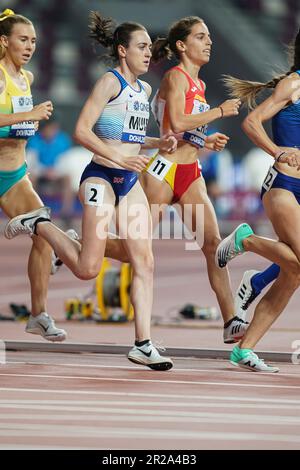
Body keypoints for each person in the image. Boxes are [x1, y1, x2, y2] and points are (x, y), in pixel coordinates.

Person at [5, 11, 176, 370]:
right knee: (86, 269)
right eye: (142, 47)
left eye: (149, 48)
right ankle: (41, 224)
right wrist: (118, 158)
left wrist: (157, 141)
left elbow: (128, 137)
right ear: (122, 51)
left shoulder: (144, 90)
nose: (148, 53)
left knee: (144, 260)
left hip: (129, 183)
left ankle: (142, 344)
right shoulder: (108, 83)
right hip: (100, 178)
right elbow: (82, 131)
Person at [105, 16, 247, 344]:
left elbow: (184, 128)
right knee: (133, 250)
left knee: (213, 245)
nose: (209, 42)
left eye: (209, 36)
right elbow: (178, 121)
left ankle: (230, 320)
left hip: (190, 172)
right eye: (201, 37)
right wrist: (220, 113)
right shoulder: (175, 77)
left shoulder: (201, 85)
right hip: (164, 172)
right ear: (182, 45)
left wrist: (207, 140)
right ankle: (79, 247)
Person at [215, 27, 300, 372]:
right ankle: (246, 239)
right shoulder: (293, 84)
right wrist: (277, 150)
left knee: (293, 272)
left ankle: (244, 349)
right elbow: (251, 122)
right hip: (285, 187)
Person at [0, 8, 66, 341]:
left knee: (43, 234)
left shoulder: (27, 79)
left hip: (13, 176)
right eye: (23, 39)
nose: (30, 46)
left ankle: (38, 314)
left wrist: (29, 123)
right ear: (3, 41)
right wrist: (29, 114)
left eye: (34, 41)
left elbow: (16, 125)